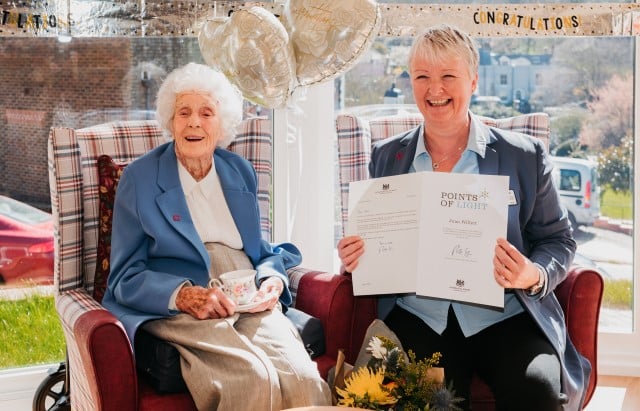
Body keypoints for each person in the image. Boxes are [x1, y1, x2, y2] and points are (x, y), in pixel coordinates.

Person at [338, 24, 589, 411]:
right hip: (420, 318)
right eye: (422, 77)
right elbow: (376, 242)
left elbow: (559, 240)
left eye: (448, 77)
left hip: (505, 316)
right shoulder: (386, 157)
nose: (434, 90)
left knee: (537, 393)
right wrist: (358, 256)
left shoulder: (524, 156)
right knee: (436, 402)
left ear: (473, 81)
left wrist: (532, 274)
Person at [102, 62, 331, 410]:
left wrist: (272, 280)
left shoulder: (238, 170)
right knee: (250, 379)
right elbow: (123, 277)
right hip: (183, 300)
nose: (194, 121)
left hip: (245, 291)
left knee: (302, 379)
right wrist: (183, 296)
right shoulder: (140, 178)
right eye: (184, 112)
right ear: (170, 121)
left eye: (206, 112)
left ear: (222, 123)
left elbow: (261, 250)